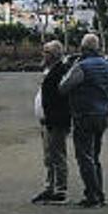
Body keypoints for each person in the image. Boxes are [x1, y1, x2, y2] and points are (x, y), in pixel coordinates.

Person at [59, 34, 108, 208]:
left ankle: (92, 195)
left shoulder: (82, 67)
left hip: (84, 114)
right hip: (102, 114)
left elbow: (63, 87)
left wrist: (70, 67)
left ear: (83, 48)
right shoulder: (107, 65)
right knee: (95, 156)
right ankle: (100, 193)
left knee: (84, 156)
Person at [31, 41, 71, 205]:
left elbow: (60, 99)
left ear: (53, 55)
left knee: (58, 155)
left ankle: (60, 189)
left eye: (46, 52)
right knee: (49, 156)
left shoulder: (61, 71)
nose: (43, 55)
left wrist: (52, 117)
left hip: (56, 121)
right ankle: (49, 187)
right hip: (47, 121)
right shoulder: (49, 70)